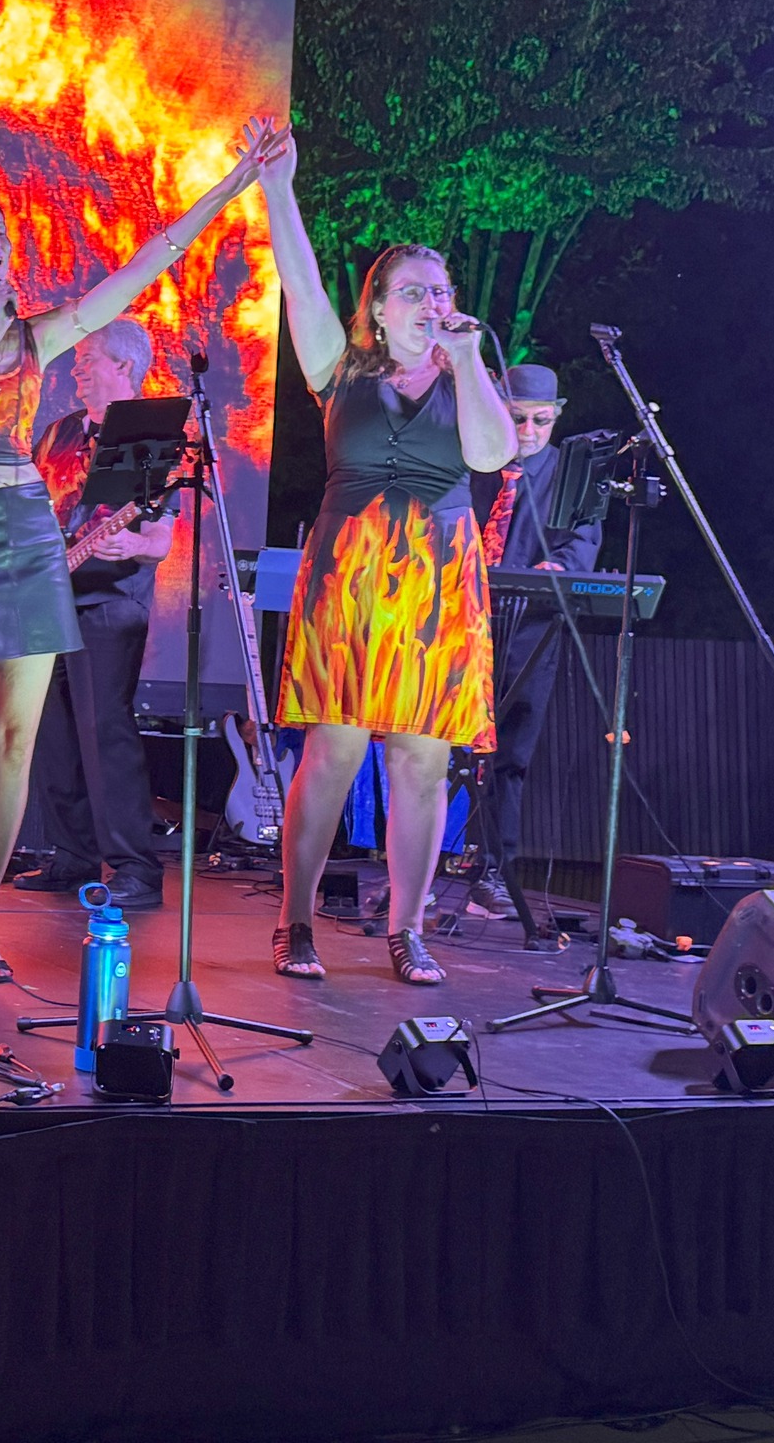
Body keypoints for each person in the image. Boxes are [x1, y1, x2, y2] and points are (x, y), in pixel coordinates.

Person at [0, 119, 277, 986]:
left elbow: (143, 265)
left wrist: (228, 189)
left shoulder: (39, 335)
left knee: (17, 742)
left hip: (27, 529)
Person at [258, 129, 517, 985]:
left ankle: (407, 929)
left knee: (421, 759)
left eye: (440, 291)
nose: (430, 302)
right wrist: (280, 188)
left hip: (438, 581)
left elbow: (492, 455)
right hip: (350, 578)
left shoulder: (466, 374)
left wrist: (467, 359)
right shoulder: (340, 370)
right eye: (412, 291)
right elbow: (299, 282)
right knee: (333, 751)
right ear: (376, 308)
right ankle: (296, 920)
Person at [15, 316, 176, 910]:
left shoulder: (153, 435)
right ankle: (72, 856)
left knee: (104, 731)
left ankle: (136, 867)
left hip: (110, 602)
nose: (76, 370)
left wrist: (132, 544)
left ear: (124, 366)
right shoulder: (59, 432)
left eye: (87, 360)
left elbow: (159, 537)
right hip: (48, 598)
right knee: (53, 735)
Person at [468, 363, 601, 916]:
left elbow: (582, 543)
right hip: (460, 621)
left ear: (556, 417)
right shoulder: (473, 457)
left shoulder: (572, 474)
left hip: (529, 628)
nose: (528, 431)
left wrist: (556, 566)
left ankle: (492, 870)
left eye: (540, 421)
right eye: (517, 418)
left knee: (510, 755)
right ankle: (415, 874)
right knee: (431, 750)